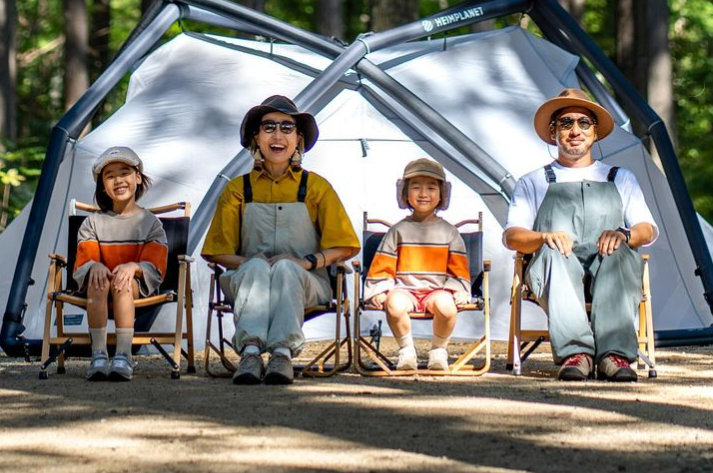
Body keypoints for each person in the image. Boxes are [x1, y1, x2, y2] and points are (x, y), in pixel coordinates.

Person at [201, 95, 360, 386]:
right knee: (258, 269)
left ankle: (282, 355)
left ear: (298, 139)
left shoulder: (316, 187)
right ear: (256, 138)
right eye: (269, 127)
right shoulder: (237, 189)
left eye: (287, 128)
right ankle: (250, 353)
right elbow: (216, 252)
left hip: (308, 280)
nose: (277, 135)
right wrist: (252, 261)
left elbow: (345, 245)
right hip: (249, 278)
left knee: (287, 269)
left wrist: (304, 261)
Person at [504, 88, 657, 382]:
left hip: (609, 268)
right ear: (553, 133)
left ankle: (614, 356)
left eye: (584, 123)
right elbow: (512, 236)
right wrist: (543, 237)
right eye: (566, 123)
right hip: (555, 269)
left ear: (596, 133)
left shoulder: (619, 177)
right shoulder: (533, 181)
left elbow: (646, 229)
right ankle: (577, 354)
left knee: (619, 251)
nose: (575, 130)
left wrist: (624, 234)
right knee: (553, 251)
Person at [364, 158, 471, 371]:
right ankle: (406, 351)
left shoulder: (449, 232)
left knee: (447, 306)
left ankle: (439, 351)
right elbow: (383, 265)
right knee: (393, 305)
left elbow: (457, 267)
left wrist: (458, 289)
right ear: (404, 193)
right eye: (416, 187)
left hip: (437, 290)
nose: (423, 194)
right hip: (405, 291)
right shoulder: (398, 230)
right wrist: (380, 290)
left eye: (431, 188)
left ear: (442, 195)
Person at [74, 146, 168, 382]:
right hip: (99, 287)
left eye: (124, 172)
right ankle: (98, 354)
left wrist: (134, 267)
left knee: (122, 281)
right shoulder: (92, 223)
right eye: (110, 176)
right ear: (103, 186)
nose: (118, 180)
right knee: (98, 279)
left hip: (133, 287)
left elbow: (155, 264)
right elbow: (86, 259)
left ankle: (124, 355)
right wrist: (95, 265)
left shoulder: (150, 223)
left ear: (137, 177)